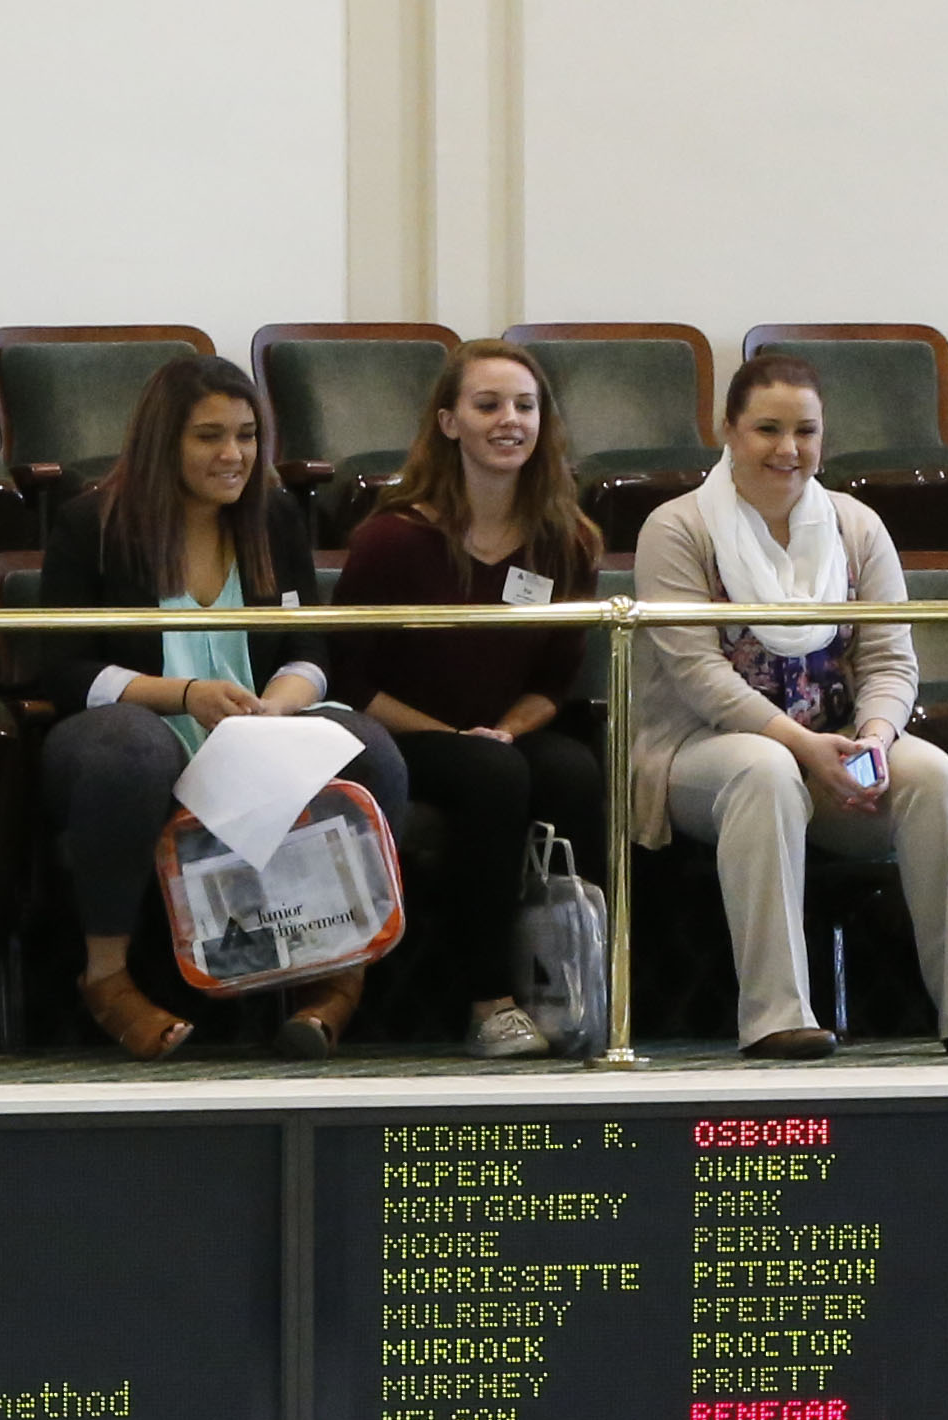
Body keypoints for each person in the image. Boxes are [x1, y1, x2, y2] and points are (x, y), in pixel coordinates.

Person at [629, 350, 948, 1058]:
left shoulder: (856, 526)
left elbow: (889, 661)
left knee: (931, 773)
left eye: (804, 431)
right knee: (763, 768)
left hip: (839, 741)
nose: (787, 450)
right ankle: (776, 1015)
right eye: (766, 429)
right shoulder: (676, 527)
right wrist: (803, 745)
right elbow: (697, 675)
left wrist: (875, 736)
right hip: (700, 748)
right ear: (728, 430)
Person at [37, 353, 423, 1061]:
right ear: (164, 443)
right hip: (135, 732)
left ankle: (337, 977)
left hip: (257, 731)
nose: (232, 454)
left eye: (246, 435)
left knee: (369, 748)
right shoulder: (90, 523)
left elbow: (311, 652)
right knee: (132, 749)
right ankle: (107, 977)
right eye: (208, 436)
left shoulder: (273, 516)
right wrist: (180, 696)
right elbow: (61, 669)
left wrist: (281, 704)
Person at [332, 340, 609, 1057]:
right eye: (487, 405)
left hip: (504, 733)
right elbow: (353, 679)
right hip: (400, 736)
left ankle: (578, 986)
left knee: (572, 770)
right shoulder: (391, 540)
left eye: (524, 405)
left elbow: (555, 680)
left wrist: (506, 729)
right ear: (449, 421)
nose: (508, 420)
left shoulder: (566, 541)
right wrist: (461, 740)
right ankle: (489, 1001)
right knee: (491, 776)